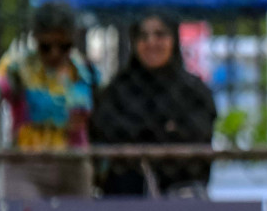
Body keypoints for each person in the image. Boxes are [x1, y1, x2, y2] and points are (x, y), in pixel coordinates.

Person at [0, 1, 101, 199]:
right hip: (26, 164)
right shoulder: (18, 67)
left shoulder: (83, 71)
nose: (55, 53)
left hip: (73, 163)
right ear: (36, 38)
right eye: (46, 47)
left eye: (63, 46)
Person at [89, 12, 217, 196]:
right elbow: (106, 132)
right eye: (143, 36)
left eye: (160, 34)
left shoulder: (193, 92)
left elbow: (197, 136)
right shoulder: (117, 91)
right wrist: (166, 129)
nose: (151, 42)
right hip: (126, 197)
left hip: (181, 194)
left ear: (174, 39)